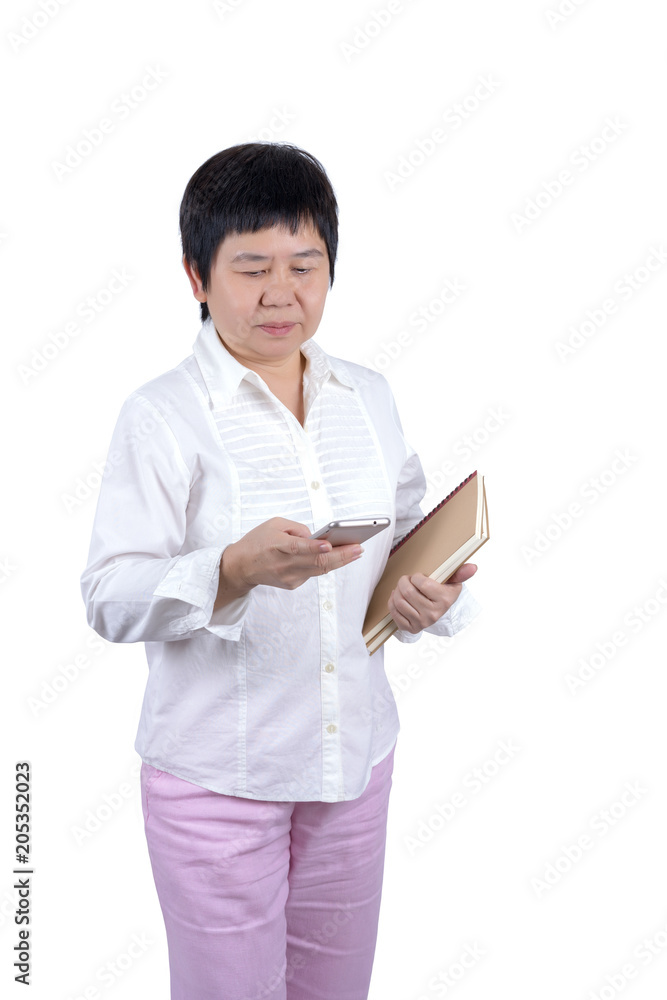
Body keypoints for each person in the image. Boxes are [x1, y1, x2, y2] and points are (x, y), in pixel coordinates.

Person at [80, 141, 481, 1000]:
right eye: (251, 266)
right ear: (196, 276)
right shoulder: (160, 416)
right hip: (217, 780)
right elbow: (108, 596)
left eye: (306, 265)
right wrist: (230, 569)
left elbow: (403, 527)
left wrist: (427, 591)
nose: (281, 293)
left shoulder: (366, 394)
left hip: (353, 766)